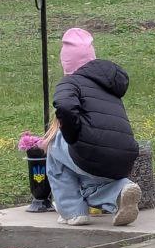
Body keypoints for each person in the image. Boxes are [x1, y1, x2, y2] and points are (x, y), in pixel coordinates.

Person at [45, 28, 142, 226]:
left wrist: (72, 136)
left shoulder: (71, 82)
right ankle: (121, 190)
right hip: (125, 159)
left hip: (94, 154)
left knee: (53, 148)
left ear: (66, 63)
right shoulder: (108, 85)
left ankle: (73, 212)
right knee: (90, 179)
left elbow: (65, 107)